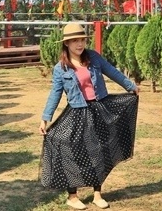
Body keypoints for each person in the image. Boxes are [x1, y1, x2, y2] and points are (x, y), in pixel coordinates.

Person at [39, 22, 140, 210]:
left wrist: (130, 86)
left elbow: (112, 72)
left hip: (100, 109)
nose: (79, 44)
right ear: (66, 44)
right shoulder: (60, 68)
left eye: (82, 40)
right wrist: (46, 118)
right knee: (73, 152)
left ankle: (97, 194)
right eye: (75, 41)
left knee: (100, 151)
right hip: (76, 113)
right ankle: (72, 196)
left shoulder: (93, 57)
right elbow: (55, 93)